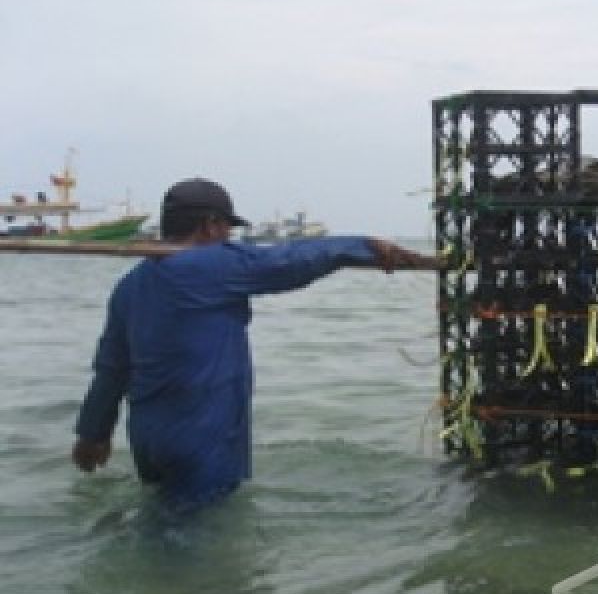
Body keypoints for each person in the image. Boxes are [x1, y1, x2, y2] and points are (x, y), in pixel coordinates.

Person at [71, 177, 439, 508]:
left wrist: (93, 433)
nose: (229, 237)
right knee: (204, 545)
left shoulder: (130, 286)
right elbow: (288, 261)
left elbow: (111, 370)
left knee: (161, 525)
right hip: (200, 437)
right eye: (226, 228)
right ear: (209, 225)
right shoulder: (213, 264)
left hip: (148, 438)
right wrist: (363, 246)